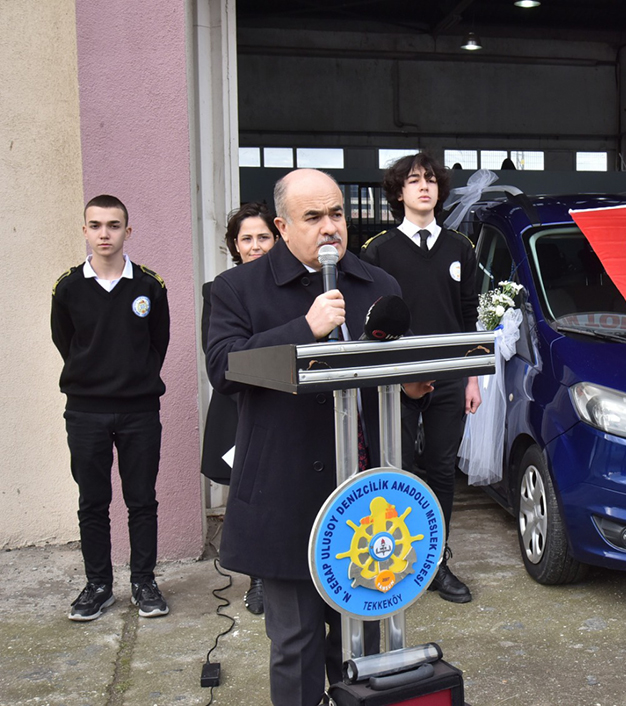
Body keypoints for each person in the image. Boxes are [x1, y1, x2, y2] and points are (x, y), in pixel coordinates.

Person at [206, 169, 432, 706]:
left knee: (362, 639)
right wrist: (304, 329)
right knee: (296, 641)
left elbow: (390, 369)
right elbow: (224, 367)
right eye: (313, 217)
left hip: (365, 497)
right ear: (283, 227)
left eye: (336, 213)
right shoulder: (238, 288)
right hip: (285, 494)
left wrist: (412, 388)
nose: (330, 227)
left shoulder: (379, 284)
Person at [361, 152, 481, 604]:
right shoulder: (378, 250)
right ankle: (394, 557)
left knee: (442, 468)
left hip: (450, 373)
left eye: (430, 179)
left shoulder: (460, 247)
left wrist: (472, 378)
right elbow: (370, 321)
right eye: (413, 181)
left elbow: (469, 316)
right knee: (398, 467)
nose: (424, 187)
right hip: (397, 375)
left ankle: (436, 561)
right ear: (398, 193)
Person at [50, 194, 170, 622]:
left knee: (142, 501)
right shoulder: (68, 287)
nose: (105, 234)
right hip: (86, 412)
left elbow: (158, 343)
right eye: (96, 225)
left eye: (114, 225)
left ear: (127, 231)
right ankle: (98, 585)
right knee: (92, 502)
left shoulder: (150, 286)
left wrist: (134, 380)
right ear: (85, 231)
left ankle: (144, 582)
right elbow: (65, 342)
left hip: (139, 412)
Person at [200, 201, 278, 615]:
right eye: (246, 238)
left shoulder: (290, 288)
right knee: (248, 499)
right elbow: (220, 357)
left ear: (277, 238)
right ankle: (257, 579)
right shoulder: (219, 290)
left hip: (285, 404)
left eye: (263, 237)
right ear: (234, 245)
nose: (255, 245)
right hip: (238, 404)